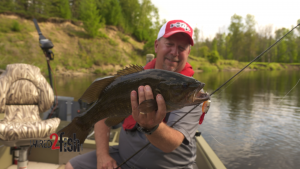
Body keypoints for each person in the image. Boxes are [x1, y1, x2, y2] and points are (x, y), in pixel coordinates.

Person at [65, 19, 202, 169]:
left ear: (188, 52)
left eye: (182, 47)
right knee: (71, 166)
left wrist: (151, 127)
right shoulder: (135, 78)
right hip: (124, 159)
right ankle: (78, 128)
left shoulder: (189, 93)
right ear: (157, 46)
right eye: (169, 44)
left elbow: (171, 143)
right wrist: (102, 155)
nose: (175, 52)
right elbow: (102, 110)